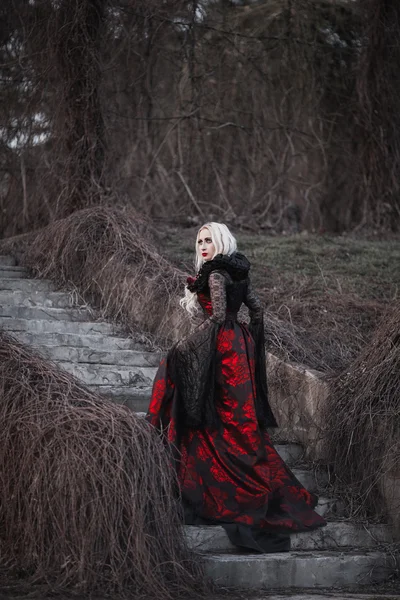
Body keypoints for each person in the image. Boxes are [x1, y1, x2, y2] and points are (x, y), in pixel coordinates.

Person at [146, 222, 326, 553]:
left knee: (204, 399)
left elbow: (215, 317)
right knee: (236, 416)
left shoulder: (215, 273)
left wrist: (184, 346)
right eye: (199, 241)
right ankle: (250, 477)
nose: (202, 245)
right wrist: (250, 340)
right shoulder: (237, 271)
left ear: (221, 242)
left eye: (208, 240)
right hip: (238, 346)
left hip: (222, 347)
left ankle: (223, 484)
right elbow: (256, 309)